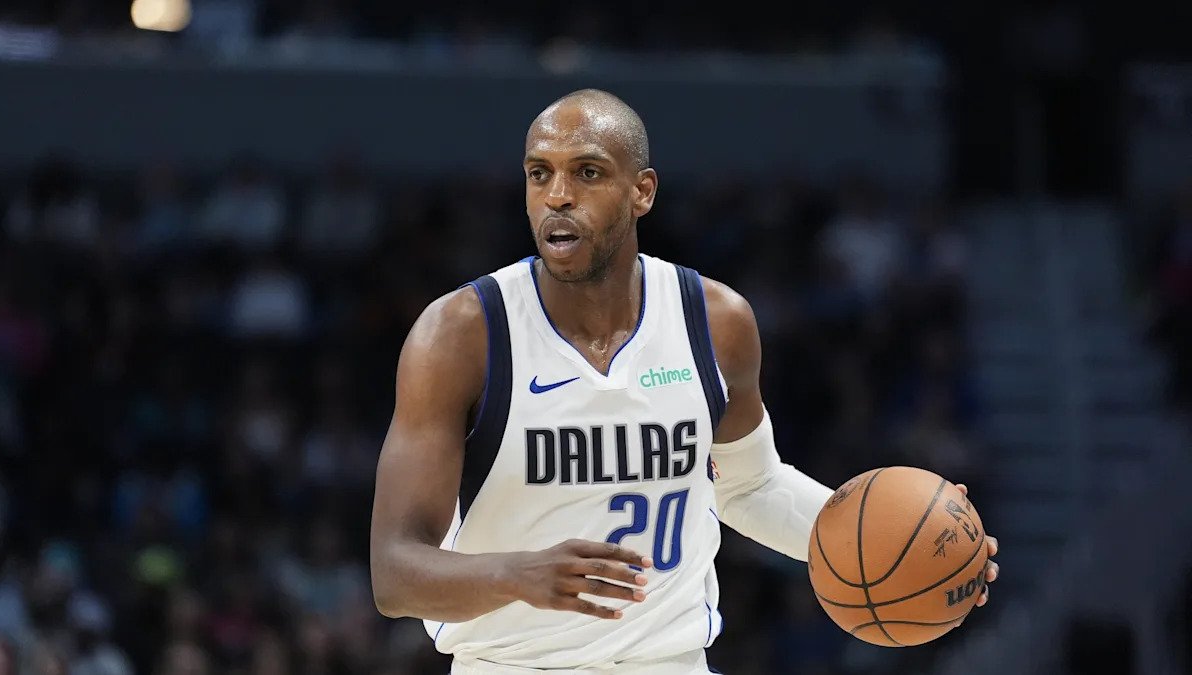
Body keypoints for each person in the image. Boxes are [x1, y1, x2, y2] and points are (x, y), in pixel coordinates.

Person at [369, 89, 1000, 674]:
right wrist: (516, 574)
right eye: (540, 174)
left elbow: (750, 487)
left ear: (642, 192)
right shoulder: (460, 336)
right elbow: (395, 574)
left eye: (587, 172)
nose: (558, 195)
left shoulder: (716, 321)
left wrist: (914, 542)